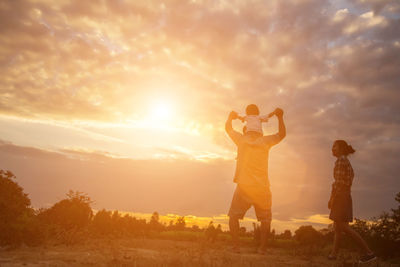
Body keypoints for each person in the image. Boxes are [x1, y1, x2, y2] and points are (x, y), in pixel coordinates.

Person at [225, 105, 286, 254]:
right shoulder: (265, 142)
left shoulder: (241, 140)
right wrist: (279, 117)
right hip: (262, 186)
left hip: (244, 185)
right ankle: (263, 249)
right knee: (265, 219)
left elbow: (228, 128)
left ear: (246, 127)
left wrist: (231, 117)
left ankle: (236, 247)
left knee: (233, 216)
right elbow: (282, 134)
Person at [328, 140, 376, 263]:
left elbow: (338, 183)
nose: (332, 148)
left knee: (343, 227)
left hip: (340, 196)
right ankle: (333, 255)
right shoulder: (346, 161)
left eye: (335, 146)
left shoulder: (340, 161)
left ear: (341, 148)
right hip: (346, 196)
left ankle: (369, 253)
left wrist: (332, 199)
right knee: (338, 227)